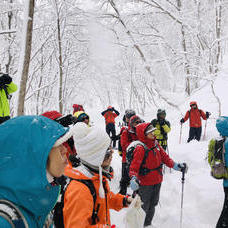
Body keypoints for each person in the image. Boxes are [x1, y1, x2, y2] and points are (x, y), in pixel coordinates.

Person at [0, 115, 76, 227]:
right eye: (59, 146)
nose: (65, 150)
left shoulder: (38, 207)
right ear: (34, 155)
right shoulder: (5, 222)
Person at [63, 122, 136, 227]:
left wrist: (124, 201)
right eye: (107, 153)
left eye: (111, 149)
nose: (112, 154)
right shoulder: (79, 190)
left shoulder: (95, 176)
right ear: (95, 158)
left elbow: (104, 198)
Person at [129, 122, 188, 227]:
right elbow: (134, 167)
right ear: (144, 134)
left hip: (157, 181)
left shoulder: (155, 144)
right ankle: (139, 225)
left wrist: (175, 166)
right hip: (145, 183)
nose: (153, 133)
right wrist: (133, 178)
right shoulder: (140, 148)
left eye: (153, 131)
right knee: (143, 206)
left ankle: (147, 224)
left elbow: (165, 158)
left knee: (153, 204)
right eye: (150, 132)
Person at [119, 115, 143, 195]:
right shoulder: (126, 132)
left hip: (138, 159)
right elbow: (124, 145)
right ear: (132, 123)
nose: (138, 124)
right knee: (125, 178)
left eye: (139, 122)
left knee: (137, 178)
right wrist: (136, 145)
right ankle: (122, 194)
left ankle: (135, 195)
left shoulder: (141, 131)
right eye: (136, 122)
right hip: (127, 159)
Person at [215, 116, 228, 228]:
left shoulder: (222, 141)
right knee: (226, 211)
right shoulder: (227, 143)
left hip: (226, 181)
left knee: (226, 207)